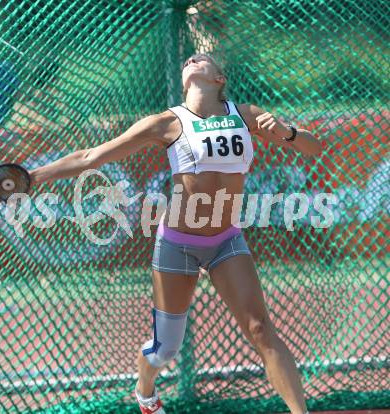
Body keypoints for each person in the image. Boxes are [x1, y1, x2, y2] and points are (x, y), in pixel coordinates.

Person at [26, 53, 321, 414]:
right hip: (178, 244)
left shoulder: (245, 115)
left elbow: (313, 147)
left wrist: (287, 133)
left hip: (226, 239)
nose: (194, 59)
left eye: (204, 59)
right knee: (165, 350)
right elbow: (91, 157)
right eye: (188, 60)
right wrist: (33, 177)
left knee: (260, 330)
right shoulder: (166, 123)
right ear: (184, 81)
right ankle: (145, 390)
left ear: (219, 78)